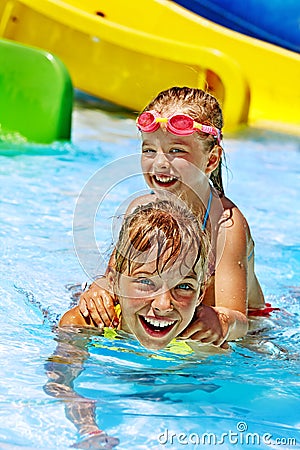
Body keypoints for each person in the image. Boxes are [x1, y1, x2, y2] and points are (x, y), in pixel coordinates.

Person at [78, 86, 268, 345]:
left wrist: (222, 321)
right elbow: (118, 276)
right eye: (149, 150)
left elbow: (240, 321)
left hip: (250, 327)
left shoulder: (225, 224)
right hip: (168, 313)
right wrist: (99, 290)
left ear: (211, 161)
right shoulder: (140, 209)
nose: (159, 163)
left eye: (177, 151)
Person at [60, 198, 238, 349]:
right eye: (145, 282)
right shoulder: (84, 326)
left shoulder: (203, 344)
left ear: (200, 294)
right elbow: (59, 383)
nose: (163, 305)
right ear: (113, 282)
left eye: (183, 286)